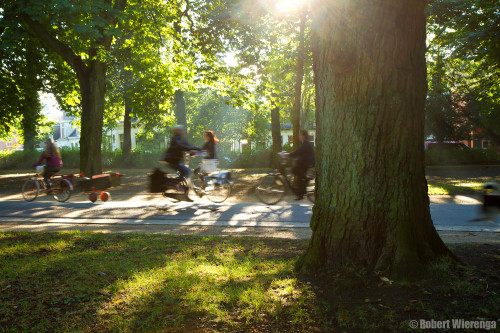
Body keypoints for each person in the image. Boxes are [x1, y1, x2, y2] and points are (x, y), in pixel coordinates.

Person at [286, 129, 315, 200]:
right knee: (298, 174)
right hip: (304, 162)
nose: (298, 136)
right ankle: (301, 193)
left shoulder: (306, 143)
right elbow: (300, 152)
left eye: (300, 135)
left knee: (296, 171)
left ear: (304, 136)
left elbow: (299, 151)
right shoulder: (304, 143)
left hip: (307, 163)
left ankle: (302, 191)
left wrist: (288, 154)